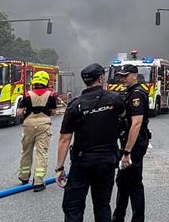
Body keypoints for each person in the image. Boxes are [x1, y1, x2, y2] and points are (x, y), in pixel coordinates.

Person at [56, 64, 125, 222]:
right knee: (102, 204)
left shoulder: (75, 105)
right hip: (107, 161)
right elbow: (124, 118)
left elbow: (64, 139)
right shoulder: (114, 99)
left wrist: (59, 168)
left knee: (73, 207)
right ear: (100, 78)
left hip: (82, 162)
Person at [113, 64, 150, 222]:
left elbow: (136, 124)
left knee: (134, 184)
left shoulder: (136, 94)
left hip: (134, 145)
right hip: (128, 142)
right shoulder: (129, 92)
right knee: (123, 182)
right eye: (121, 76)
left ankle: (137, 219)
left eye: (125, 76)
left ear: (134, 75)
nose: (122, 79)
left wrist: (127, 152)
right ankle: (118, 217)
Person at [17, 70, 58, 191]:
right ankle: (39, 181)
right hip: (44, 124)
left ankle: (24, 176)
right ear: (46, 82)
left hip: (28, 124)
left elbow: (19, 112)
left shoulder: (27, 95)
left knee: (26, 151)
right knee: (41, 152)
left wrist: (24, 115)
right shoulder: (51, 95)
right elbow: (53, 111)